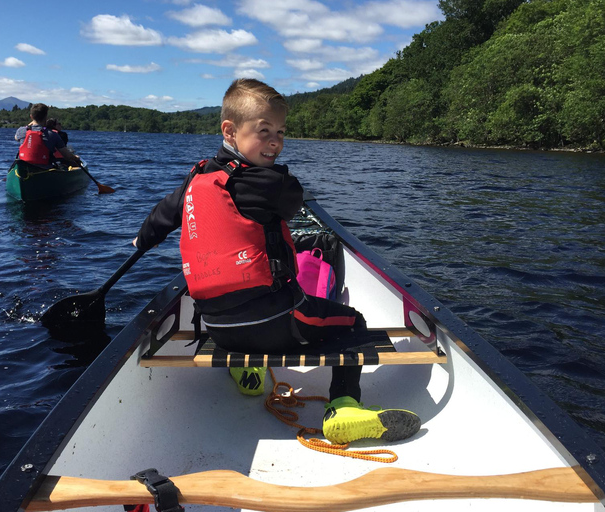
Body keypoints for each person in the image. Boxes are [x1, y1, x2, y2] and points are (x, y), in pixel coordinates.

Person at [133, 79, 420, 445]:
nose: (275, 142)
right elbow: (292, 201)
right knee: (354, 321)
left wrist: (141, 241)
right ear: (230, 131)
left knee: (250, 314)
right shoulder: (271, 183)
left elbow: (161, 218)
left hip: (218, 330)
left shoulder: (197, 177)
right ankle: (345, 406)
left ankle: (249, 373)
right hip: (276, 323)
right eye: (264, 131)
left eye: (281, 132)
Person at [14, 104, 80, 168]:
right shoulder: (52, 134)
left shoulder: (21, 130)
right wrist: (75, 158)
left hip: (23, 167)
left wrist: (30, 124)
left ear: (31, 116)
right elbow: (67, 156)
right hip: (44, 168)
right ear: (46, 117)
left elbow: (16, 138)